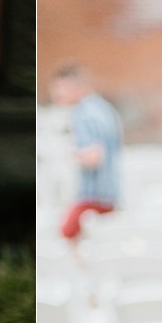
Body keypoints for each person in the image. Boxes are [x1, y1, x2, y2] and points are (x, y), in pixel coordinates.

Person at [49, 61, 123, 239]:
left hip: (92, 195)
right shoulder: (104, 108)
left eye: (61, 88)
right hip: (111, 193)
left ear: (77, 87)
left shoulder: (83, 114)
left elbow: (94, 157)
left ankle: (80, 267)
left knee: (65, 233)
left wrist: (67, 154)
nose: (56, 94)